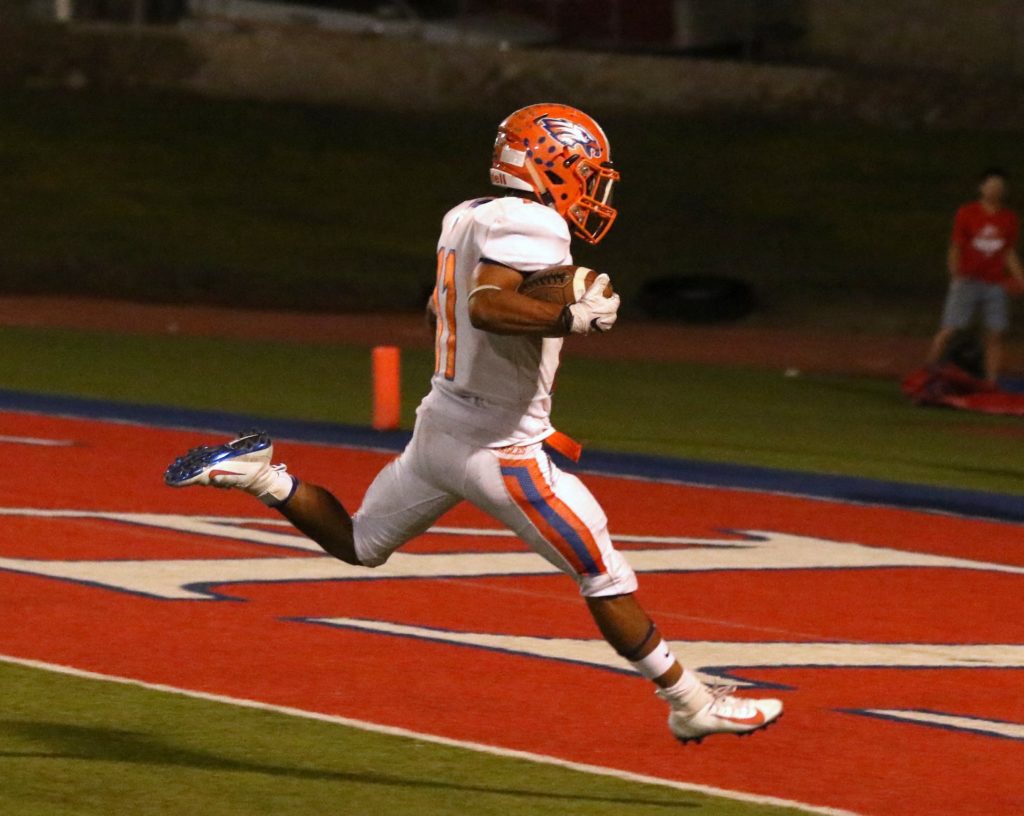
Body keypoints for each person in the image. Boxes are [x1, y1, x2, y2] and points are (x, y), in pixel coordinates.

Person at [164, 104, 782, 743]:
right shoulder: (533, 220)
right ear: (552, 163)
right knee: (604, 576)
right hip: (502, 450)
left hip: (440, 428)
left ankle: (261, 477)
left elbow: (442, 309)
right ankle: (689, 701)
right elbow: (486, 305)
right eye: (586, 171)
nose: (592, 187)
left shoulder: (468, 214)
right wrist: (566, 318)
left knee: (362, 544)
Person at [926, 167, 1024, 383]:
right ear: (981, 187)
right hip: (968, 280)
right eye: (991, 185)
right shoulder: (968, 212)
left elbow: (1008, 252)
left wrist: (1020, 277)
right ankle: (927, 373)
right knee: (949, 329)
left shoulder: (1009, 218)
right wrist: (955, 273)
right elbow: (956, 246)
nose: (995, 190)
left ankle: (990, 382)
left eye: (1000, 186)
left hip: (995, 283)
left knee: (994, 334)